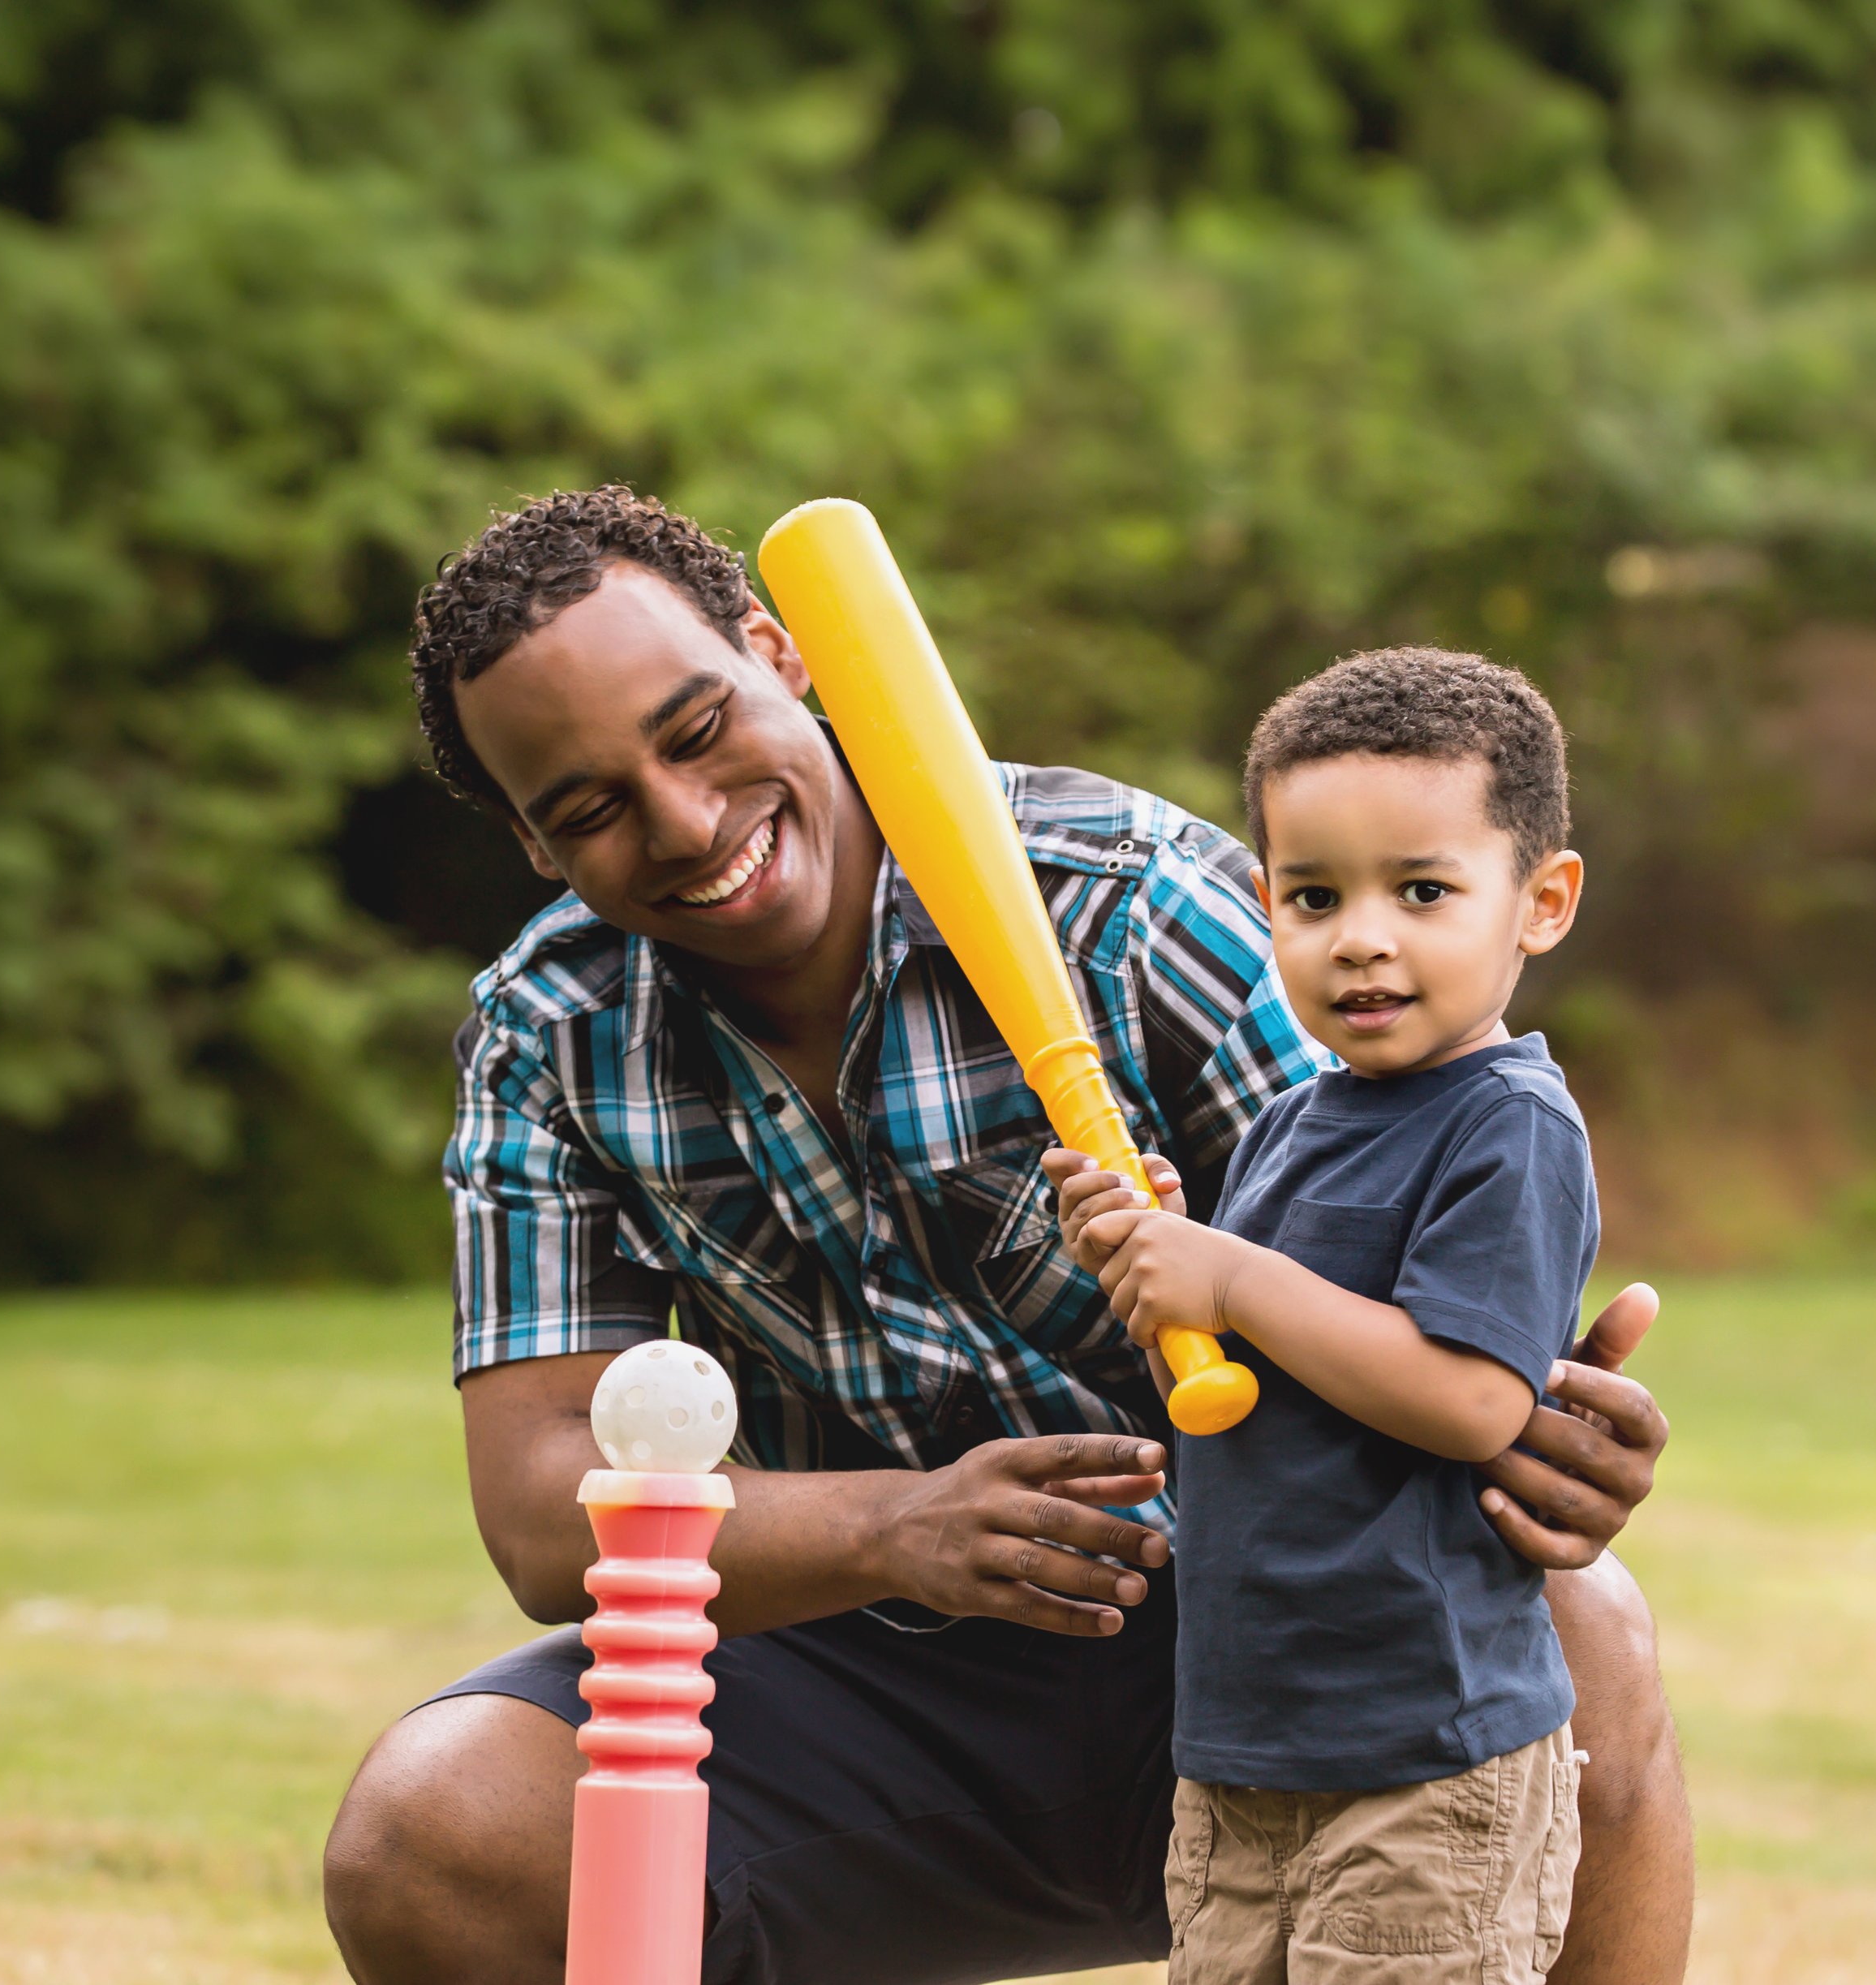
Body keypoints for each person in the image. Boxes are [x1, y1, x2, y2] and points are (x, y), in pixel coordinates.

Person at [317, 487, 1692, 1985]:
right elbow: (538, 1506)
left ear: (783, 653)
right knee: (434, 1835)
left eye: (696, 726)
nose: (685, 819)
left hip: (1271, 1621)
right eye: (586, 807)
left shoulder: (1129, 904)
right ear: (531, 843)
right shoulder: (551, 1032)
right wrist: (898, 1530)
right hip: (861, 1674)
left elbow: (1430, 1319)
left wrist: (1534, 1418)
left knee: (1579, 1629)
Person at [1048, 648, 1602, 1983]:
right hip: (1250, 1740)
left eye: (1423, 890)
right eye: (1314, 894)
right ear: (1266, 905)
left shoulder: (1509, 1127)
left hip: (1421, 1747)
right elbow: (1255, 1378)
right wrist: (1156, 1263)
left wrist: (1231, 1276)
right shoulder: (1297, 1121)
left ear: (1541, 901)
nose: (1362, 934)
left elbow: (1475, 1399)